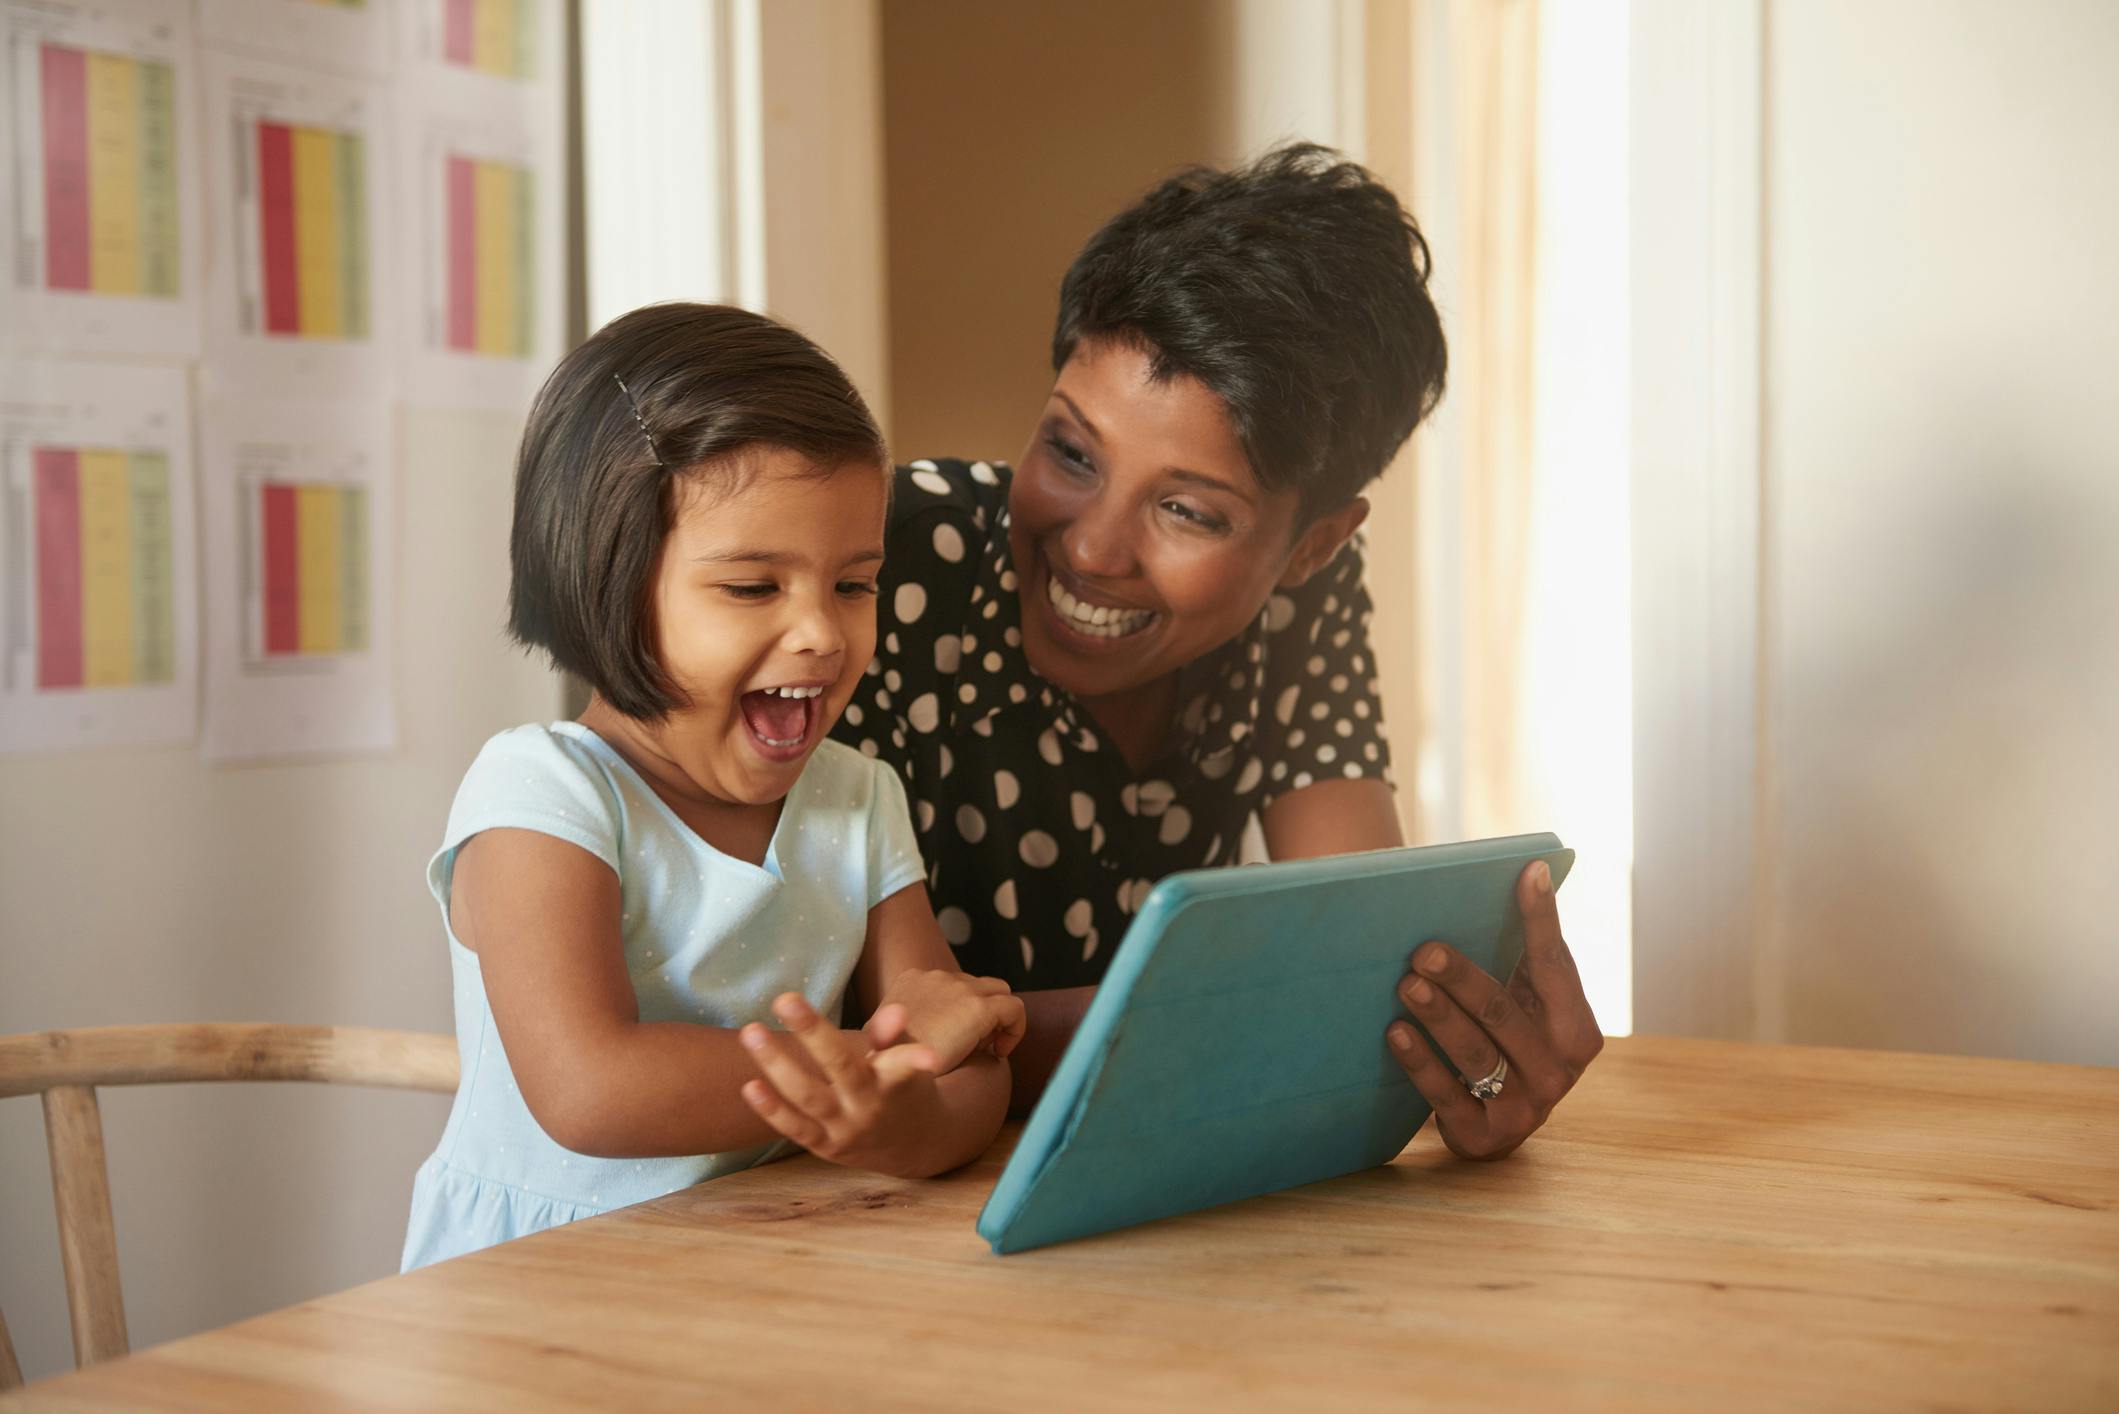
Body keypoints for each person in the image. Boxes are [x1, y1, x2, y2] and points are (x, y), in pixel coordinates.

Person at [830, 144, 1601, 1160]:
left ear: (1313, 546)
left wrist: (1461, 1044)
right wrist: (1277, 1022)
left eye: (1186, 510)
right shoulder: (878, 567)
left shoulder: (1303, 605)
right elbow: (822, 1041)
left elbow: (1359, 974)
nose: (1093, 548)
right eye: (1070, 451)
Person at [402, 304, 1024, 1270]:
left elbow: (969, 1067)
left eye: (853, 584)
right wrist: (883, 1060)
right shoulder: (543, 793)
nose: (822, 632)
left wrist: (896, 1127)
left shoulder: (856, 799)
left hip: (763, 1262)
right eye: (751, 587)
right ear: (605, 580)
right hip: (541, 1283)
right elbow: (592, 1087)